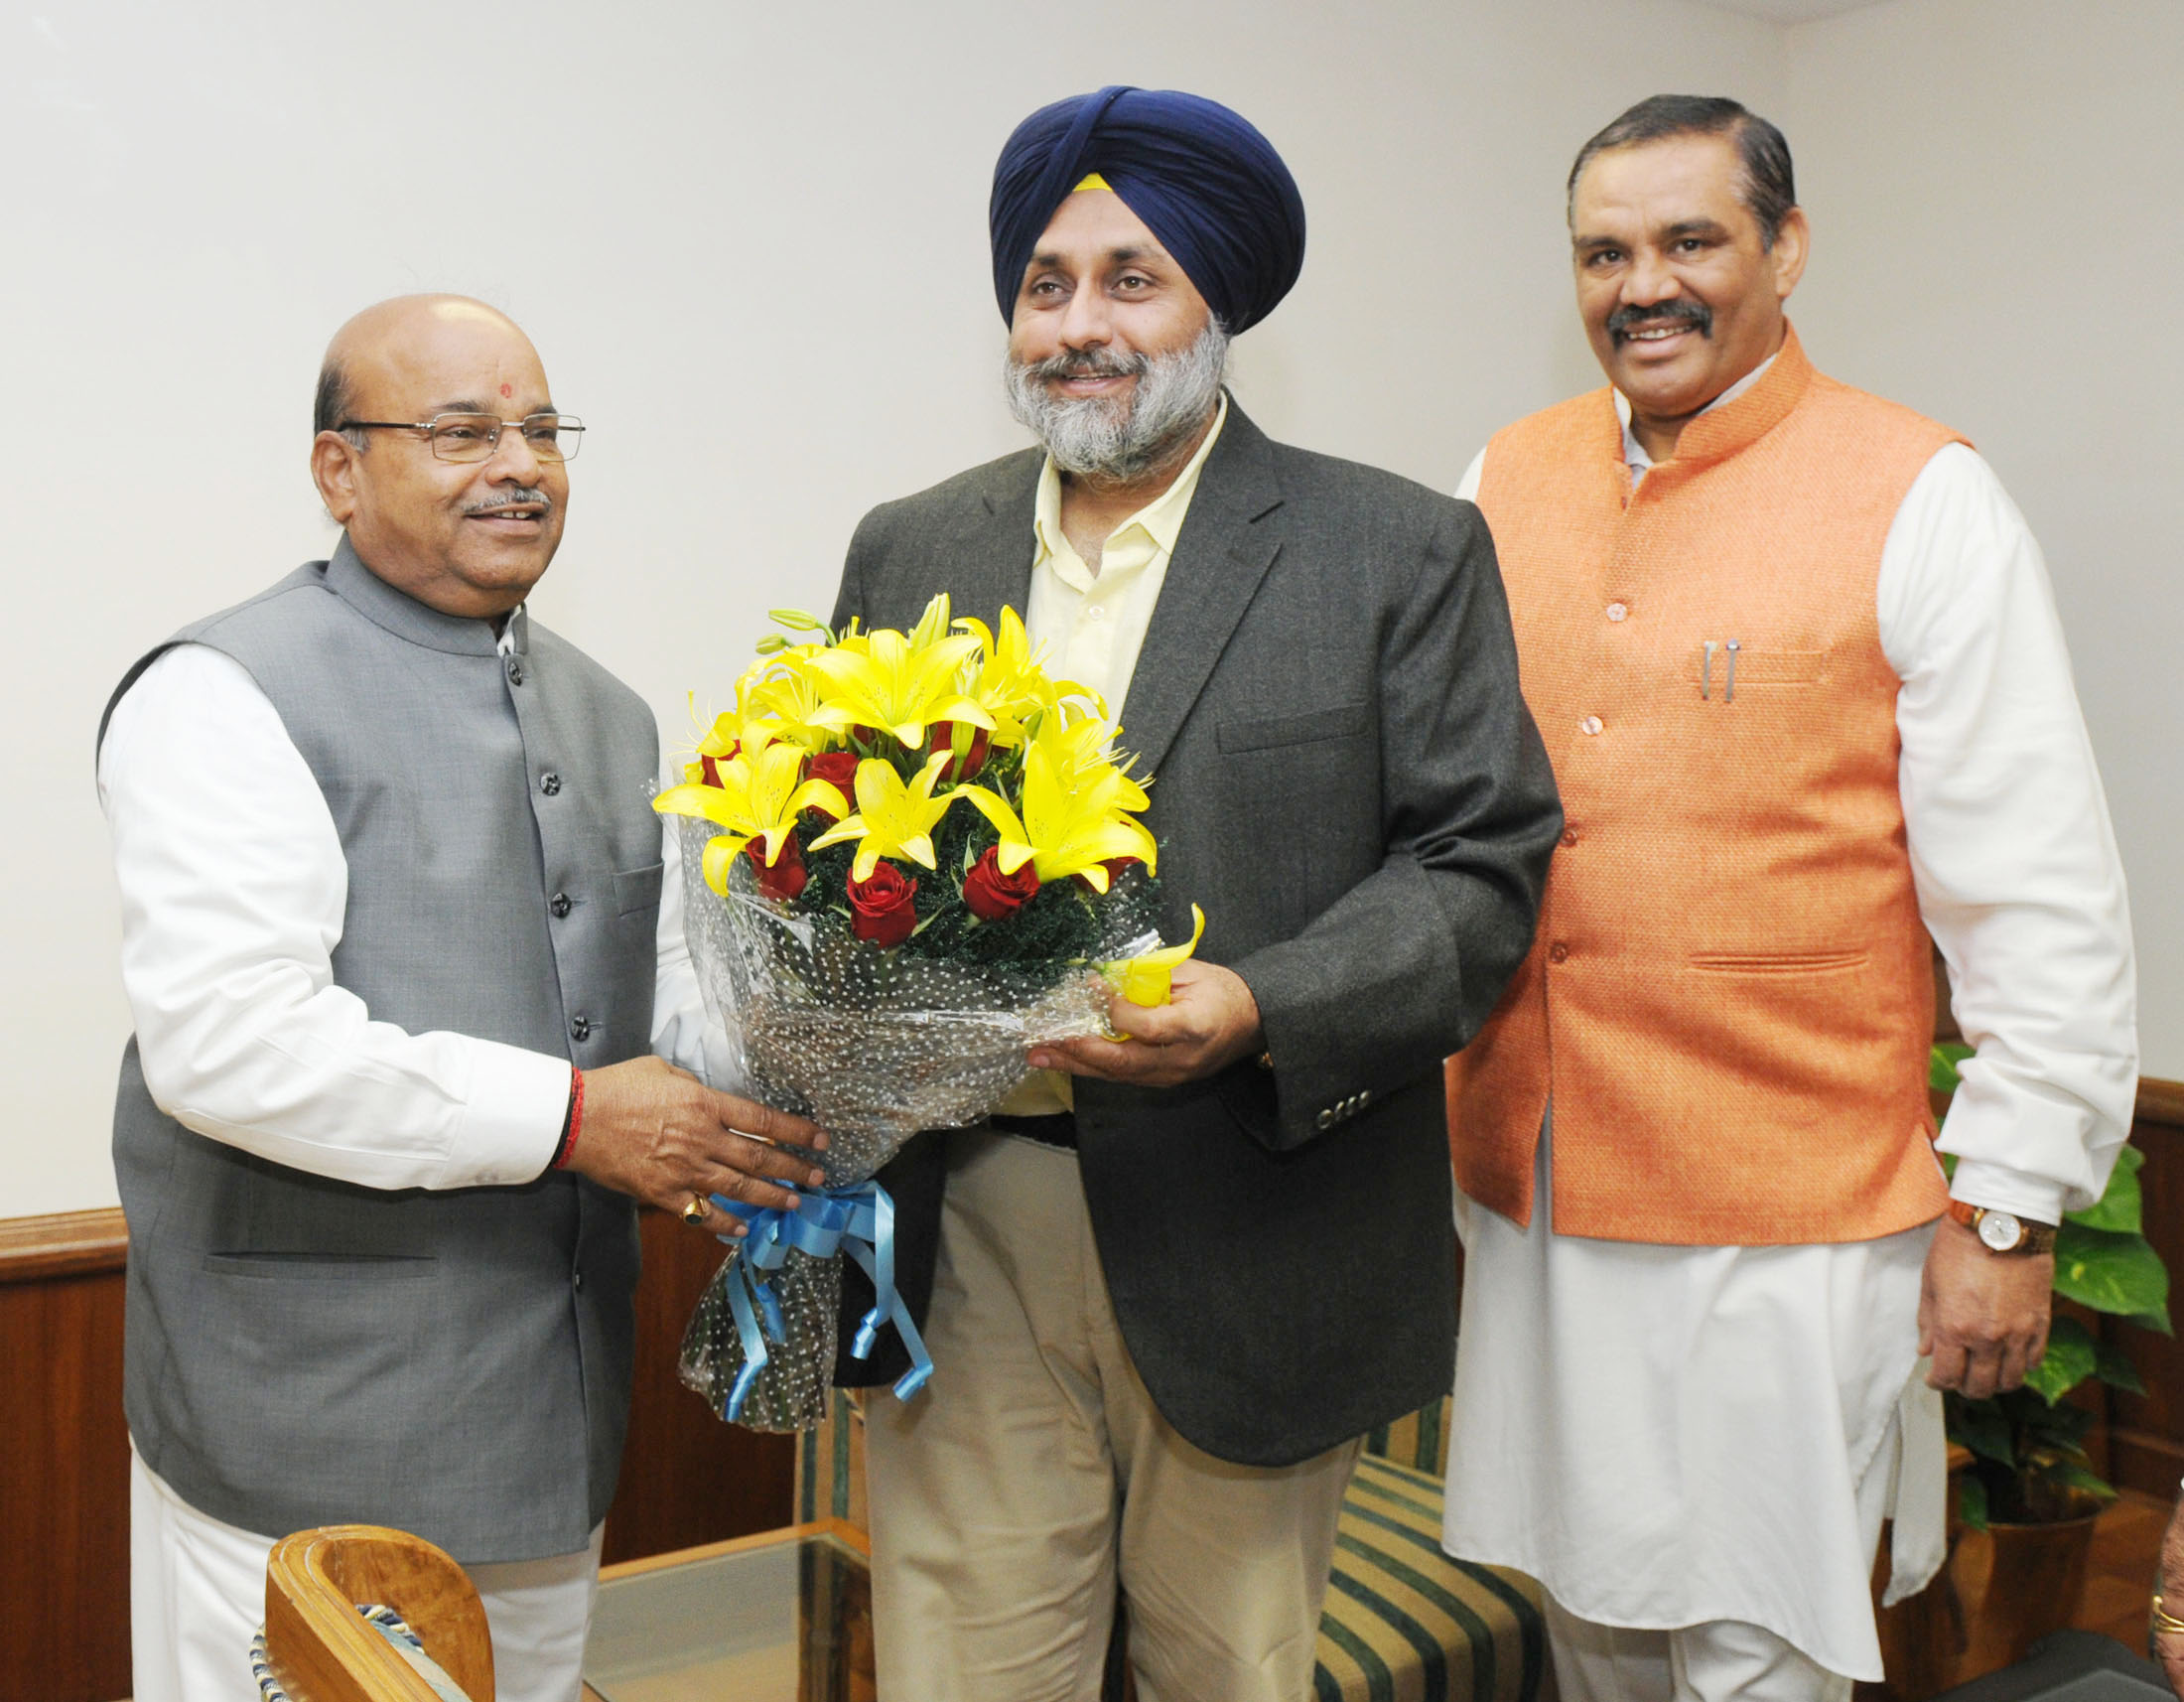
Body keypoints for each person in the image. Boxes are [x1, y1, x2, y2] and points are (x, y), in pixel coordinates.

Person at [824, 85, 1563, 1702]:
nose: (1079, 325)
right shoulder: (910, 545)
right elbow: (829, 847)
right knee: (965, 1677)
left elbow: (1479, 866)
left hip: (1256, 1217)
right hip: (969, 1228)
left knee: (1228, 1676)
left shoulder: (1395, 547)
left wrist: (1259, 1005)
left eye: (1131, 278)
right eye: (1046, 283)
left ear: (1220, 301)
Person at [1439, 95, 2137, 1701]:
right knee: (1592, 1626)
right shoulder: (1497, 477)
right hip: (1538, 1192)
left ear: (1786, 249)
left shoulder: (1924, 493)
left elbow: (2036, 895)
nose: (1645, 285)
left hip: (1797, 1214)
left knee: (1758, 1649)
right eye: (1605, 251)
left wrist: (2012, 1208)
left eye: (1691, 240)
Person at [97, 294, 830, 1702]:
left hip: (546, 1429)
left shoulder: (613, 713)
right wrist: (572, 1117)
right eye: (460, 430)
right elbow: (231, 1046)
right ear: (338, 468)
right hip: (296, 1433)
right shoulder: (221, 691)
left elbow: (664, 993)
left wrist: (843, 1031)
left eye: (543, 428)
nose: (521, 462)